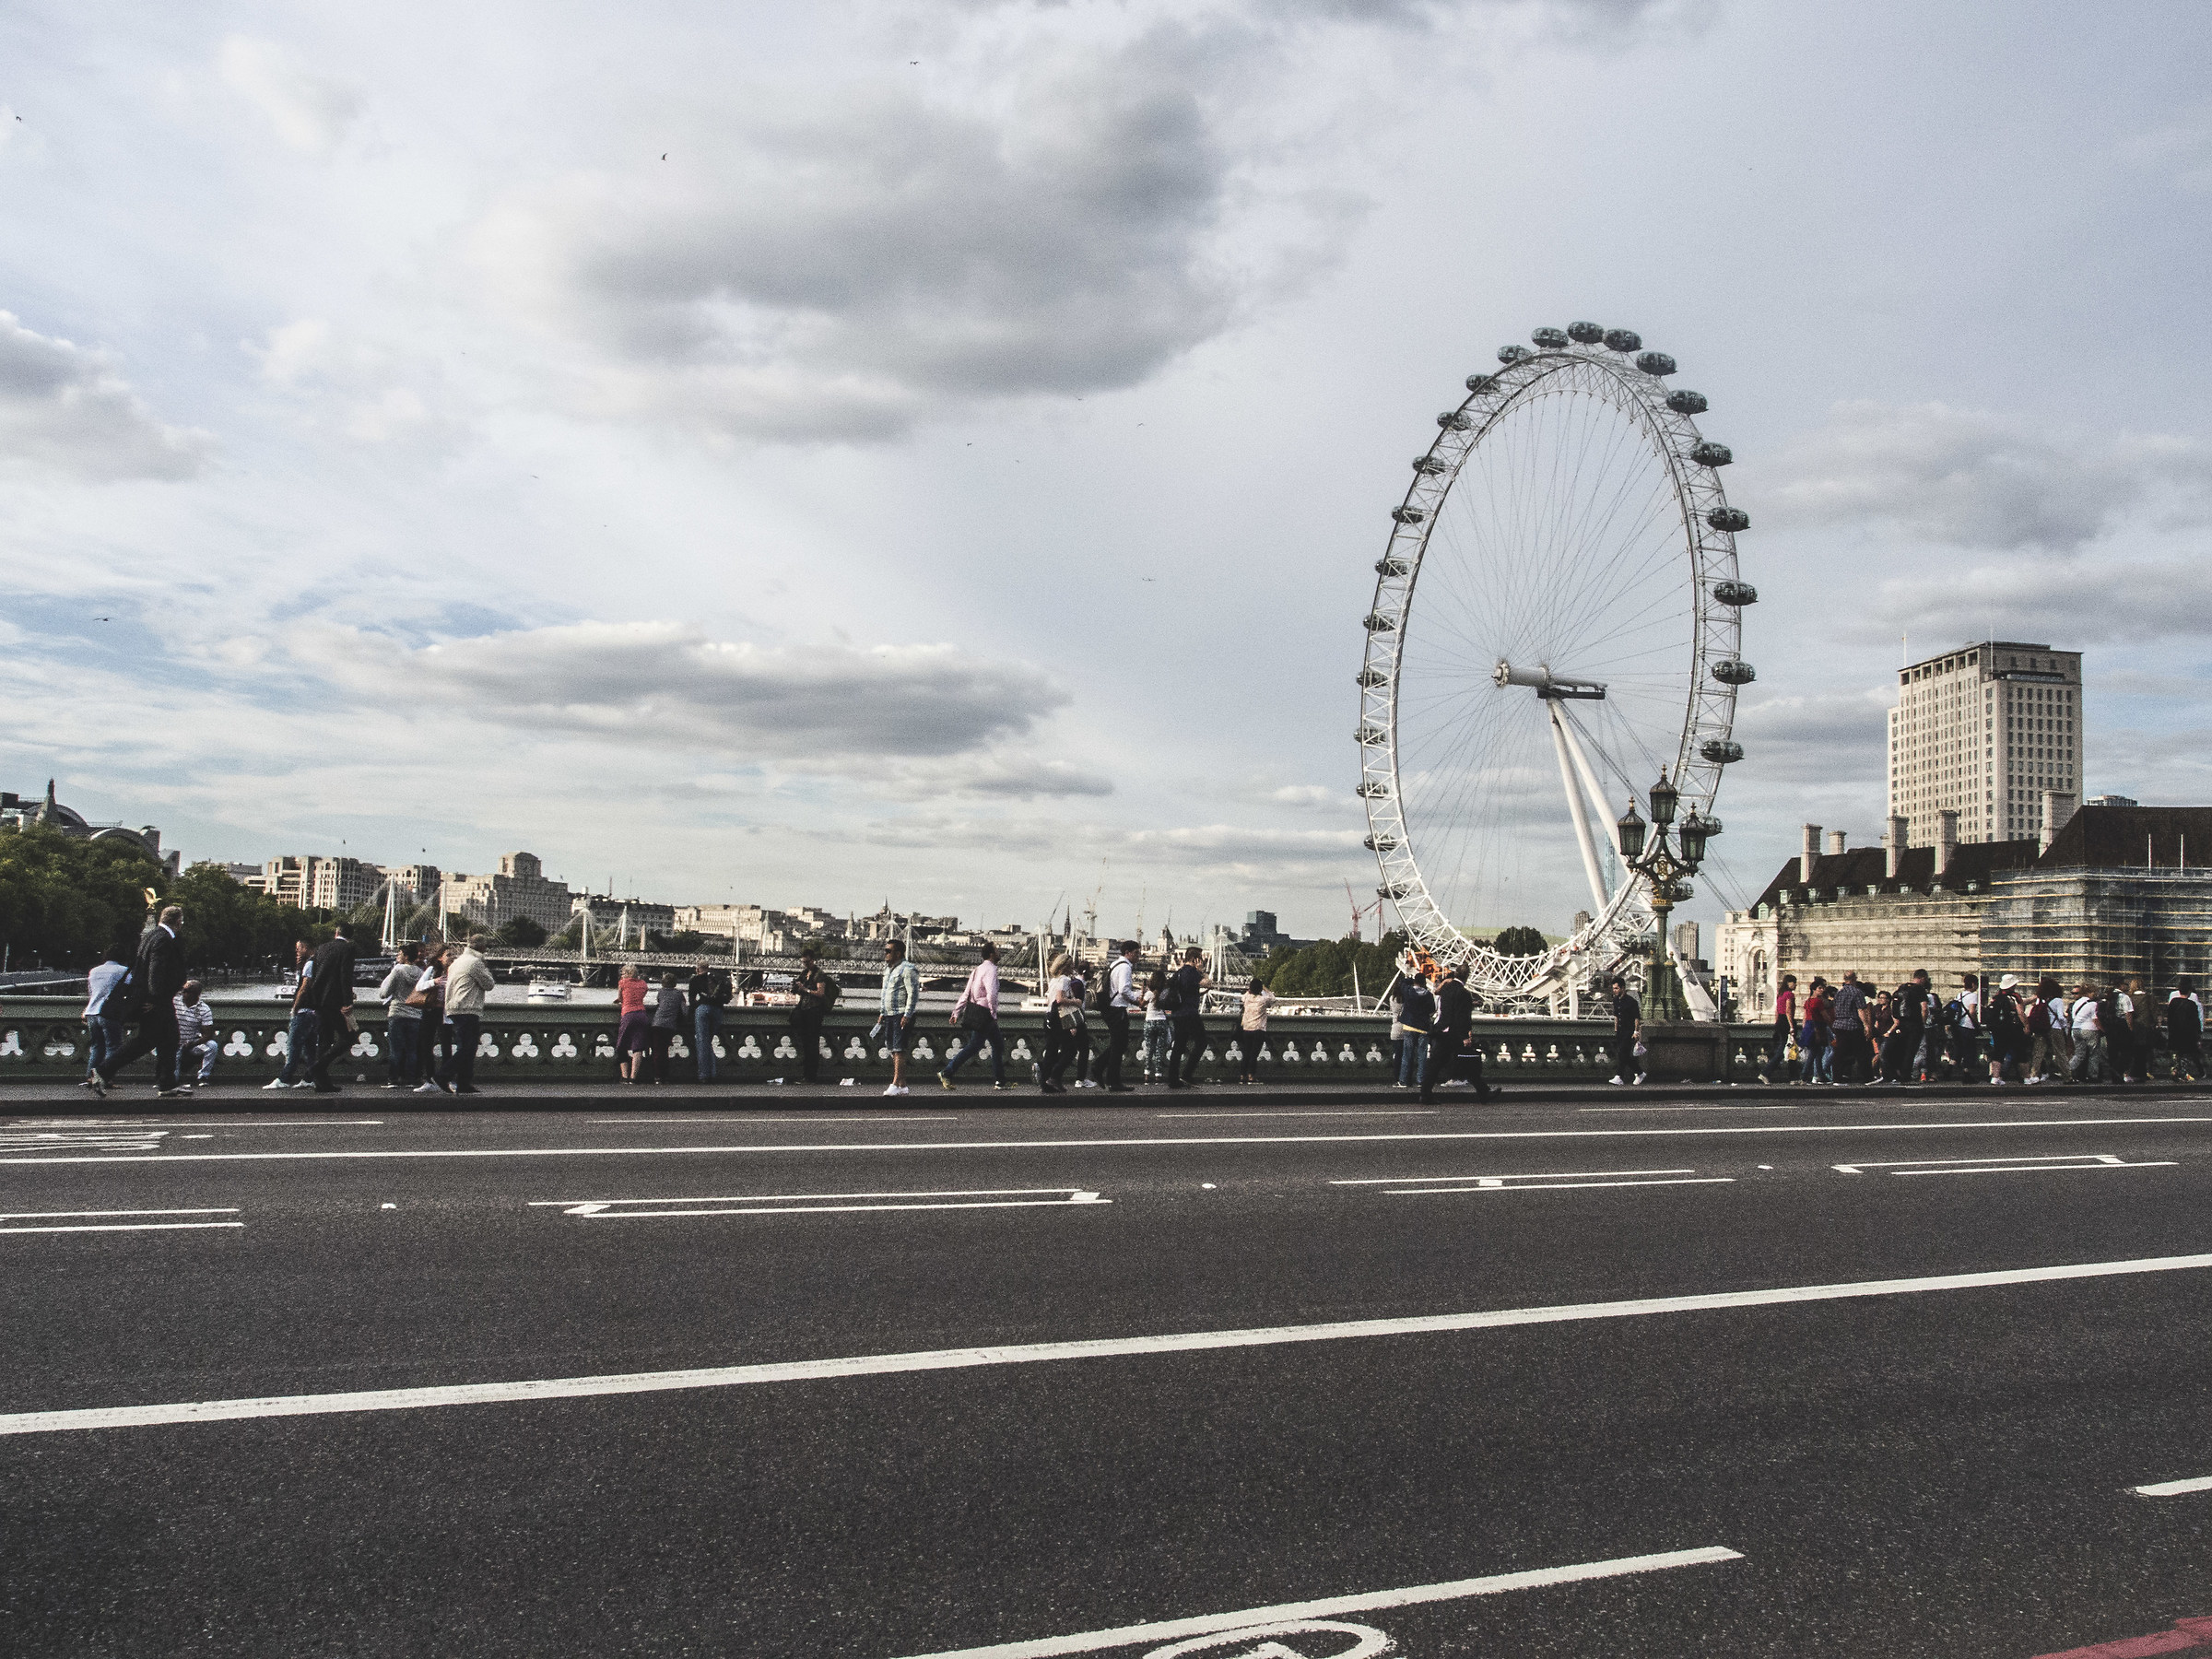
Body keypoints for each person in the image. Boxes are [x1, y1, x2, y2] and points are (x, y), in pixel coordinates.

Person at [90, 904, 189, 1099]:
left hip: (152, 998)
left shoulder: (151, 936)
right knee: (145, 1042)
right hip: (157, 1001)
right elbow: (156, 970)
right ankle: (102, 1070)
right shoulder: (164, 939)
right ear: (178, 921)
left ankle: (167, 1083)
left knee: (169, 1040)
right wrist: (155, 998)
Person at [302, 924, 360, 1094]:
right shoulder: (348, 949)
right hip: (334, 1001)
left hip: (318, 1000)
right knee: (349, 1037)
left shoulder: (321, 948)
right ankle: (318, 1067)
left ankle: (322, 1084)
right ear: (350, 936)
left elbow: (317, 974)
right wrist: (347, 1001)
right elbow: (345, 976)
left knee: (325, 1040)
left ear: (336, 933)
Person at [939, 941, 1006, 1089]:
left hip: (977, 1011)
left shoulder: (977, 970)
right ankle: (947, 1072)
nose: (999, 952)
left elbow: (966, 993)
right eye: (996, 950)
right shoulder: (991, 970)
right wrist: (993, 1013)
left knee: (998, 1045)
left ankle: (1000, 1081)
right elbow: (992, 994)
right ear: (991, 954)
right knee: (975, 1046)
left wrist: (956, 1012)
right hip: (985, 1014)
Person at [437, 935, 495, 1095]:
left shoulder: (457, 962)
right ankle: (443, 1075)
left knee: (465, 1047)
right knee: (469, 1048)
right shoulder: (475, 963)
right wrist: (486, 967)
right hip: (468, 1008)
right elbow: (489, 984)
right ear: (482, 948)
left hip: (454, 1007)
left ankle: (464, 1084)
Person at [1422, 965, 1482, 1102]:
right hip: (1452, 1033)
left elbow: (1442, 998)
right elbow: (1462, 1016)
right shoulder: (1463, 992)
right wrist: (1466, 1036)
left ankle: (1425, 1093)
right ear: (1467, 976)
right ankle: (1483, 1091)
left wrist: (1445, 982)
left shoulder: (1446, 988)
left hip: (1441, 1029)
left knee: (1437, 1064)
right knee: (1467, 1063)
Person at [265, 940, 320, 1091]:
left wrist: (295, 1007)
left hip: (303, 1012)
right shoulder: (319, 962)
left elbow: (304, 988)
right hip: (316, 1012)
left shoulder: (310, 964)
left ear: (306, 947)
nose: (297, 951)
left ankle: (284, 1078)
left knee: (293, 1046)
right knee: (310, 1050)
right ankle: (310, 1078)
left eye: (298, 948)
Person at [81, 944, 130, 1087]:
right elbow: (132, 987)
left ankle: (90, 1077)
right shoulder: (123, 971)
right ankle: (105, 1078)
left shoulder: (94, 971)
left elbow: (91, 992)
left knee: (97, 1047)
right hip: (109, 1012)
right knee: (113, 1047)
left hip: (92, 1012)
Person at [378, 943, 425, 1089]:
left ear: (405, 956)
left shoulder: (397, 971)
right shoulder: (420, 973)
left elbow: (384, 992)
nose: (397, 956)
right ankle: (410, 1078)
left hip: (397, 1012)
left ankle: (393, 1079)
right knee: (412, 1049)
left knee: (395, 1049)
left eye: (399, 954)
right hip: (415, 1014)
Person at [877, 939, 921, 1096]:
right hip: (889, 1014)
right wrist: (882, 1012)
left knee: (899, 1049)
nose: (886, 954)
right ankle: (903, 1085)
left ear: (898, 953)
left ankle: (895, 1083)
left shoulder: (908, 969)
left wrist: (907, 1014)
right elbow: (885, 993)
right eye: (885, 951)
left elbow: (913, 994)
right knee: (892, 1048)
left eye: (889, 951)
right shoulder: (889, 970)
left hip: (901, 1013)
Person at [1163, 947, 1209, 1089]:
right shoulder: (1192, 972)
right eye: (1200, 958)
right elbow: (1207, 983)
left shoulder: (1179, 972)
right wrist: (1203, 972)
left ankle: (1173, 1079)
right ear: (1196, 959)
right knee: (1202, 1042)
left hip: (1177, 1013)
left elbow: (1186, 991)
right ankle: (1187, 1074)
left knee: (1179, 1046)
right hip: (1189, 1013)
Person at [790, 948, 836, 1085]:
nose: (805, 964)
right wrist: (797, 988)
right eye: (803, 962)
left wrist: (806, 990)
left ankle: (811, 1076)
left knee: (812, 1044)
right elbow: (799, 992)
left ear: (812, 960)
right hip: (804, 1010)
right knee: (805, 1044)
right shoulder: (804, 974)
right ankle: (806, 1075)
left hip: (814, 1012)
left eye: (807, 962)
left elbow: (820, 993)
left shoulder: (819, 974)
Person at [1039, 951, 1082, 1095]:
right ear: (1066, 966)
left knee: (1051, 1051)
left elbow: (1049, 1000)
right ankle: (1055, 1076)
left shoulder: (1053, 980)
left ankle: (1045, 1083)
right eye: (1071, 965)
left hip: (1048, 1017)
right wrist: (1075, 1002)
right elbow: (1059, 1000)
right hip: (1058, 1018)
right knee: (1070, 1049)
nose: (1073, 968)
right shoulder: (1064, 980)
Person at [1100, 940, 1140, 1092]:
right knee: (1119, 1046)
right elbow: (1123, 990)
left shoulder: (1115, 964)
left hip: (1111, 1008)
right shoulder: (1125, 968)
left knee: (1119, 1044)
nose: (1138, 956)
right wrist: (1137, 1001)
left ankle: (1099, 1068)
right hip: (1117, 1009)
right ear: (1128, 952)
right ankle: (1113, 1081)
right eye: (1136, 953)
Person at [411, 947, 451, 1095]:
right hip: (431, 1011)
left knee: (447, 1046)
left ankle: (446, 1078)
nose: (451, 957)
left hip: (446, 1012)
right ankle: (429, 1078)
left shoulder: (453, 971)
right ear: (440, 957)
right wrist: (434, 981)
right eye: (448, 955)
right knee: (426, 1045)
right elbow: (419, 986)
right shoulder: (433, 969)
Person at [1888, 969, 1931, 1084]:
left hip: (1902, 1024)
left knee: (1901, 1049)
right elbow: (1924, 1008)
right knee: (1911, 1051)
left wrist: (1897, 1021)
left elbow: (1894, 1006)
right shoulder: (1919, 989)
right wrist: (1923, 1022)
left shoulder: (1903, 988)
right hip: (1915, 1023)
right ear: (1922, 978)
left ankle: (1897, 1074)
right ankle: (1906, 1076)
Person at [688, 960, 729, 1083]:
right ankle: (713, 1073)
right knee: (708, 1041)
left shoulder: (695, 980)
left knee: (702, 1041)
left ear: (697, 969)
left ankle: (704, 1075)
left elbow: (692, 999)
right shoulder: (718, 978)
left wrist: (697, 1007)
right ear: (708, 968)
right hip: (718, 1011)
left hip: (703, 1009)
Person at [173, 980, 218, 1093]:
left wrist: (192, 1043)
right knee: (174, 1077)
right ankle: (171, 1080)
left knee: (212, 1046)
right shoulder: (175, 1001)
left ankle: (203, 1076)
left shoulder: (204, 1009)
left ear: (196, 994)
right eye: (183, 990)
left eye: (187, 991)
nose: (183, 993)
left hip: (192, 1042)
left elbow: (208, 1035)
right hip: (174, 1042)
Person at [1830, 971, 1872, 1085]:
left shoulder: (1839, 993)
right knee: (1861, 1052)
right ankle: (1867, 1077)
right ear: (1854, 979)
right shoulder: (1857, 992)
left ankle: (1837, 1078)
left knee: (1839, 1053)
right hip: (1852, 1024)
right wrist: (1866, 1025)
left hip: (1839, 1024)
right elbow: (1861, 1010)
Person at [1394, 973, 1434, 1090]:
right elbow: (1432, 1011)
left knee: (1407, 1055)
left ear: (1415, 981)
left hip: (1409, 1026)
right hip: (1423, 1027)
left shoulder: (1409, 991)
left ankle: (1403, 1080)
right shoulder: (1429, 995)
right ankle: (1421, 1080)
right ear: (1424, 983)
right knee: (1422, 1055)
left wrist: (1410, 979)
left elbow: (1402, 983)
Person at [614, 963, 653, 1083]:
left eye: (623, 973)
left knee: (621, 1047)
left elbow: (620, 998)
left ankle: (624, 1077)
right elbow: (641, 996)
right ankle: (633, 1078)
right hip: (642, 1015)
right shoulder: (643, 984)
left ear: (628, 974)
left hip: (628, 1015)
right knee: (638, 1048)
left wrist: (619, 1000)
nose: (622, 975)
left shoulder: (623, 983)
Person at [1987, 975, 2028, 1084]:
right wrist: (2026, 1025)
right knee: (2021, 1053)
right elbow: (2020, 1012)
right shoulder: (2015, 997)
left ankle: (1995, 1077)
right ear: (2013, 985)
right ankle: (2026, 1078)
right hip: (2012, 1028)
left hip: (1998, 1029)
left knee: (1998, 1052)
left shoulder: (1996, 997)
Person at [649, 970, 687, 1084]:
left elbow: (660, 1003)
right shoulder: (679, 994)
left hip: (656, 1024)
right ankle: (665, 1075)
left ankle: (657, 1076)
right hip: (669, 1025)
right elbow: (684, 1011)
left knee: (656, 1050)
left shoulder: (661, 992)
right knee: (665, 1051)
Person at [1606, 974, 1643, 1085]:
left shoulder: (1631, 1002)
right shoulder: (1616, 1000)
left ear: (1623, 988)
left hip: (1629, 1031)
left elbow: (1637, 1018)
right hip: (1620, 1031)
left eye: (1616, 988)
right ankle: (1640, 1073)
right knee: (1624, 1055)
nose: (1615, 990)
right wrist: (1616, 1029)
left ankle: (1619, 1077)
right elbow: (1616, 1016)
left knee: (1622, 1053)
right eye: (1613, 988)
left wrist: (1636, 1032)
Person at [1238, 978, 1277, 1084]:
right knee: (1254, 1054)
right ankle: (1251, 1075)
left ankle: (1242, 1075)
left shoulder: (1246, 998)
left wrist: (1250, 989)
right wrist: (1266, 989)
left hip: (1246, 1028)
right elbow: (1273, 999)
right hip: (1259, 1029)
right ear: (1260, 989)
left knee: (1246, 1053)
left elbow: (1244, 996)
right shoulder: (1263, 1000)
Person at [2067, 983, 2108, 1083]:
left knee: (2079, 1054)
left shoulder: (2076, 1003)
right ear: (2089, 992)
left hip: (2075, 1029)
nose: (2095, 994)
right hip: (2089, 1030)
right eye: (2094, 992)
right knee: (2094, 1053)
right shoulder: (2093, 1004)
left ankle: (2067, 1071)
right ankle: (2092, 1076)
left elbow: (2073, 1017)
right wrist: (2103, 1030)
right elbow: (2095, 1020)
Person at [2166, 977, 2204, 1081]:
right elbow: (2195, 1021)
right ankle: (2182, 1073)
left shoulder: (2173, 1002)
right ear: (2189, 991)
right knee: (2186, 1055)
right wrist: (2198, 1035)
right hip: (2188, 1034)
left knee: (2177, 1054)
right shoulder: (2191, 1004)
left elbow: (2169, 1018)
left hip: (2174, 1033)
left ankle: (2175, 1070)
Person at [1141, 969, 1173, 1084]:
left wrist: (1142, 991)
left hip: (1149, 1021)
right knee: (1159, 1050)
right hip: (1162, 1021)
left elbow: (1141, 1004)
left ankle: (1146, 1075)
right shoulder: (1164, 994)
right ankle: (1158, 1076)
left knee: (1149, 1049)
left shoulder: (1149, 994)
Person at [1798, 975, 1832, 1085]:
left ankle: (1821, 1076)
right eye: (1820, 988)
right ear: (1814, 990)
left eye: (1822, 988)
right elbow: (1825, 1016)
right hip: (1817, 1026)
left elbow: (1805, 1017)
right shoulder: (1818, 1002)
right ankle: (1804, 1076)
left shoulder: (1808, 1001)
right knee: (1814, 1053)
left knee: (1818, 1053)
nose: (1822, 990)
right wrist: (1832, 1026)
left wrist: (1805, 1030)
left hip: (1809, 1027)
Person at [1767, 973, 1798, 1084]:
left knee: (1788, 1049)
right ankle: (1766, 1072)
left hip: (1780, 1021)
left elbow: (1777, 1011)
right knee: (1789, 1049)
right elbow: (1788, 1011)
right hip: (1786, 1022)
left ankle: (1794, 1077)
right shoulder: (1789, 995)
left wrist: (1777, 1023)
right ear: (1788, 983)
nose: (1795, 985)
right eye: (1794, 982)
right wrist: (1791, 1026)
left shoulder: (1780, 994)